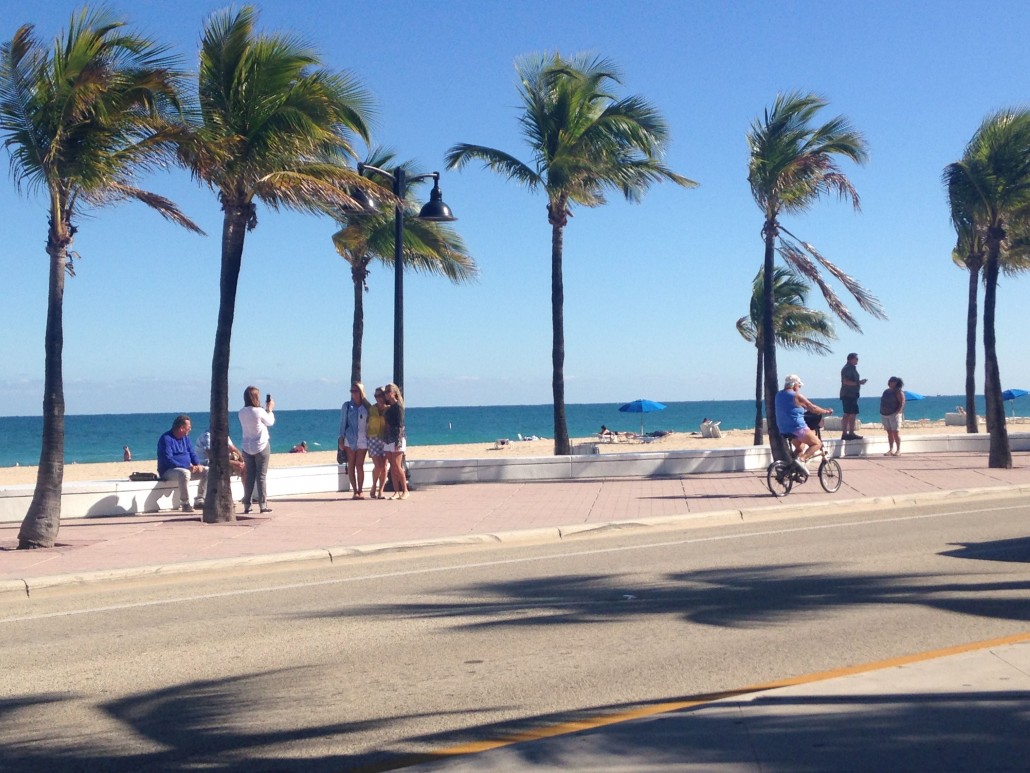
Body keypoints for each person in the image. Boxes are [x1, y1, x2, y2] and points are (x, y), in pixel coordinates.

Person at [775, 374, 833, 475]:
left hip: (784, 428)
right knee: (817, 443)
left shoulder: (778, 395)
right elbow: (813, 408)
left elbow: (790, 409)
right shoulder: (796, 396)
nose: (799, 388)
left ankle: (790, 469)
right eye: (799, 386)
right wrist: (826, 411)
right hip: (797, 427)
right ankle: (801, 460)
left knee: (800, 447)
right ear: (794, 385)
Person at [156, 415, 207, 512]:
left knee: (207, 471)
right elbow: (168, 459)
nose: (190, 429)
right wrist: (187, 467)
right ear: (181, 428)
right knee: (184, 473)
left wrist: (198, 464)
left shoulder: (185, 438)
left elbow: (192, 453)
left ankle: (199, 499)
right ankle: (185, 503)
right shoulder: (166, 439)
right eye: (189, 427)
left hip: (186, 468)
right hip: (169, 470)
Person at [238, 386, 275, 514]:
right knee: (261, 476)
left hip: (247, 447)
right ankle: (262, 505)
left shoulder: (241, 412)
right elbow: (270, 422)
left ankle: (247, 505)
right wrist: (269, 409)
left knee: (249, 477)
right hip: (261, 445)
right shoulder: (259, 411)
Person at [339, 382, 371, 499]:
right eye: (352, 391)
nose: (353, 393)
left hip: (363, 439)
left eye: (355, 391)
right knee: (351, 465)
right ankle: (355, 491)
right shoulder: (347, 406)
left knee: (359, 465)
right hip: (350, 438)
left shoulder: (367, 407)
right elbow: (342, 423)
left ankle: (360, 490)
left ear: (361, 392)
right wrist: (341, 438)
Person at [383, 382, 409, 499]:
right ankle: (396, 491)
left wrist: (398, 442)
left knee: (398, 466)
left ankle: (405, 490)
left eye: (388, 391)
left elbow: (399, 425)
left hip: (397, 437)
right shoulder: (388, 408)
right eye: (386, 392)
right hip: (388, 438)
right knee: (392, 466)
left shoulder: (398, 407)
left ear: (394, 393)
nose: (386, 394)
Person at [366, 386, 389, 499]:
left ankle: (381, 490)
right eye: (376, 396)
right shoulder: (371, 409)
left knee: (384, 466)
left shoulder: (389, 409)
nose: (378, 398)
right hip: (373, 438)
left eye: (380, 395)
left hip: (385, 438)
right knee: (378, 465)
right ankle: (374, 486)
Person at [840, 352, 867, 440]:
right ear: (850, 359)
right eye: (856, 359)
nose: (857, 361)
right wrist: (859, 382)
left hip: (853, 394)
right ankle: (845, 433)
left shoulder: (852, 368)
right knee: (848, 413)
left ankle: (851, 432)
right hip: (848, 394)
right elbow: (846, 381)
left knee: (853, 413)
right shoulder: (847, 369)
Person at [880, 376, 907, 456]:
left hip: (894, 414)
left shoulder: (898, 392)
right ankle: (891, 449)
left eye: (893, 381)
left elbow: (902, 402)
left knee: (895, 432)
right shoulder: (886, 391)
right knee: (889, 432)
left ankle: (898, 450)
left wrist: (898, 411)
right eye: (890, 381)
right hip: (885, 414)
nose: (891, 383)